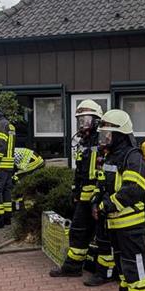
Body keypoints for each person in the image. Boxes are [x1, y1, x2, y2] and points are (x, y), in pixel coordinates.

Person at [95, 109, 145, 291]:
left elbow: (133, 190)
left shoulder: (133, 157)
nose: (105, 138)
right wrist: (97, 201)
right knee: (121, 263)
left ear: (120, 135)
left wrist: (108, 205)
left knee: (135, 262)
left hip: (130, 222)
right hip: (115, 223)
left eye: (108, 134)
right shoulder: (112, 155)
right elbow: (104, 184)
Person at [50, 100, 106, 278]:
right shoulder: (83, 141)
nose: (82, 124)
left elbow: (107, 172)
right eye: (80, 120)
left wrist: (98, 197)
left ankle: (104, 271)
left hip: (99, 198)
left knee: (103, 235)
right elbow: (80, 171)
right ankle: (73, 267)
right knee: (78, 231)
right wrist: (75, 192)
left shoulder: (104, 139)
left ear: (97, 120)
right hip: (83, 197)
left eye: (86, 119)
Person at [0, 145, 44, 215]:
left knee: (16, 181)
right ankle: (20, 207)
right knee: (15, 181)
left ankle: (21, 209)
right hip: (30, 160)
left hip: (31, 160)